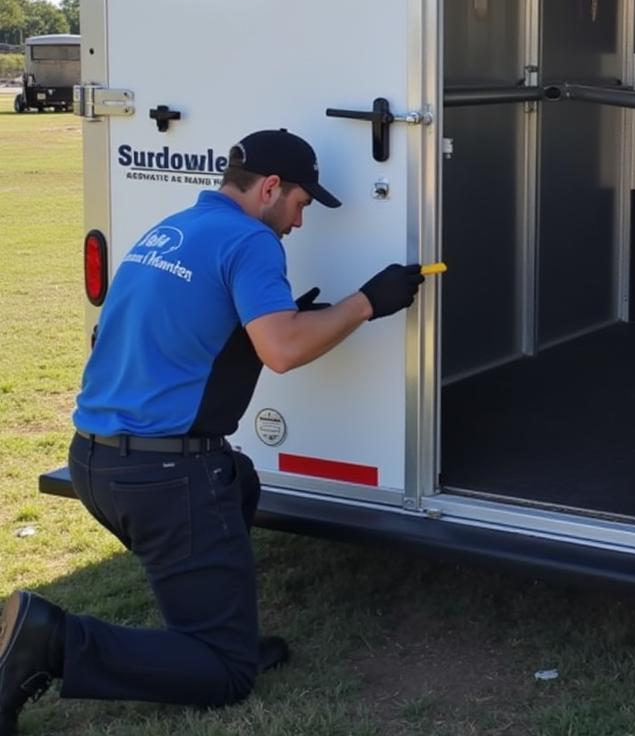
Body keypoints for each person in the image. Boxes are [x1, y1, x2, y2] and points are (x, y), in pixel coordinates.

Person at [0, 128, 424, 735]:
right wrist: (366, 302)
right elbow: (280, 351)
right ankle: (51, 642)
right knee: (224, 673)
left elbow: (184, 328)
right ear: (272, 188)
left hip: (97, 463)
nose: (299, 223)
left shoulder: (174, 230)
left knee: (237, 480)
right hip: (162, 478)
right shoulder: (251, 241)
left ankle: (220, 628)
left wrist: (280, 319)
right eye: (302, 204)